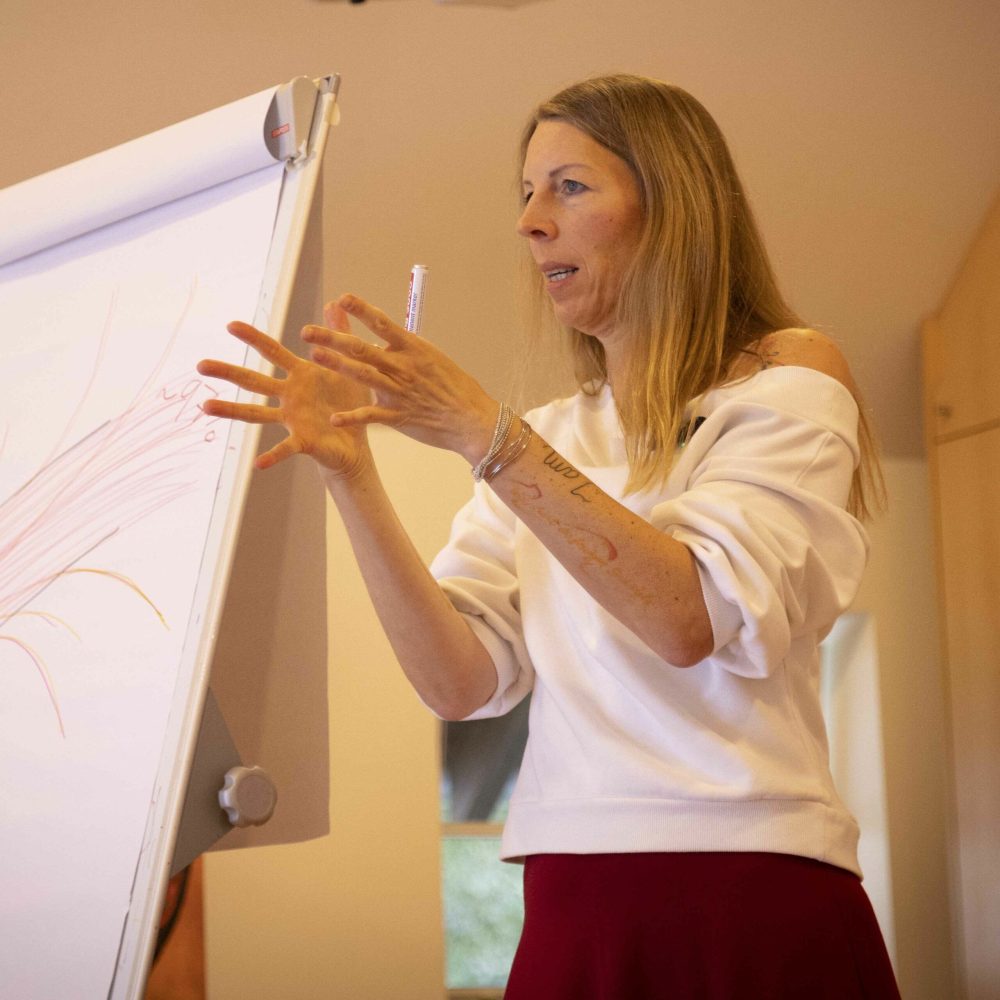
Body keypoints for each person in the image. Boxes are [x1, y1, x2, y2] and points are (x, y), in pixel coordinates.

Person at [198, 74, 899, 998]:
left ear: (674, 206)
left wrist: (488, 438)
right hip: (571, 889)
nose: (531, 221)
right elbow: (460, 683)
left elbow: (690, 617)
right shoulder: (549, 436)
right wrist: (352, 474)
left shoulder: (790, 377)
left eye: (569, 186)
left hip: (746, 880)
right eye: (526, 193)